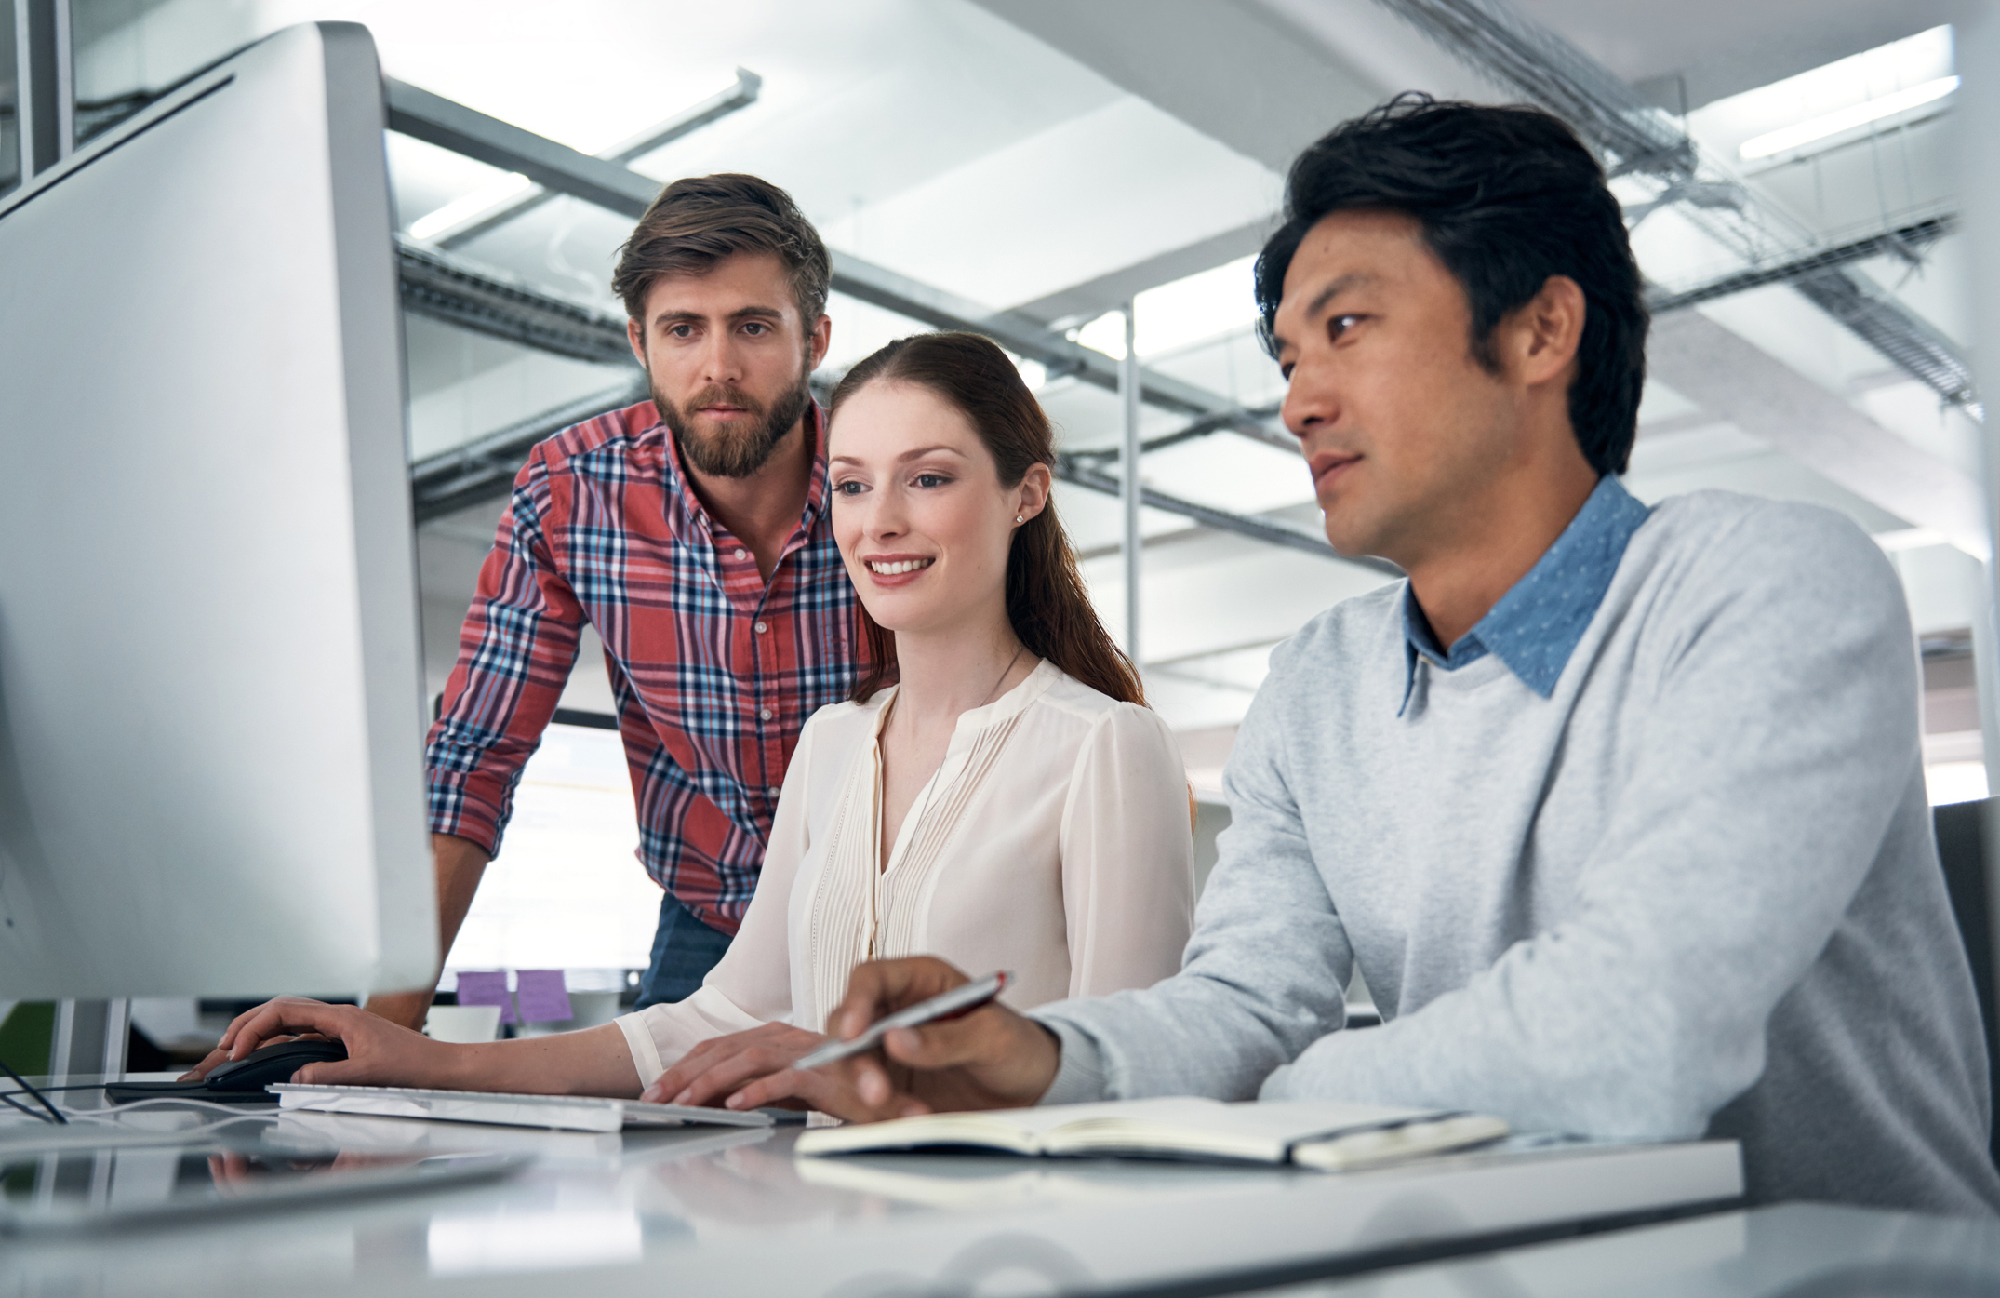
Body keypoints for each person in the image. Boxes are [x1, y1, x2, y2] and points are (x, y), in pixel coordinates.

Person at [732, 97, 2000, 1218]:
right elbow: (1233, 1004)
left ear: (1541, 330)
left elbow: (1636, 1032)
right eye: (1289, 354)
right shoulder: (1318, 683)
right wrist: (1040, 1056)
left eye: (1346, 328)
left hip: (1851, 1264)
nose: (1294, 399)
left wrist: (1277, 1088)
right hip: (1520, 1255)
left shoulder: (1765, 581)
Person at [188, 332, 1196, 1100]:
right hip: (818, 1229)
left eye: (927, 478)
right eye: (850, 484)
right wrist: (423, 1058)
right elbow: (718, 1013)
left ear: (1024, 495)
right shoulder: (834, 744)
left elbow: (1139, 1086)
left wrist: (850, 1072)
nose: (878, 519)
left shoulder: (1105, 746)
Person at [373, 173, 865, 1032]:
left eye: (753, 327)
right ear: (640, 341)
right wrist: (386, 1022)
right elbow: (475, 752)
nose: (718, 367)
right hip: (708, 918)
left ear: (814, 339)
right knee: (675, 1158)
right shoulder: (572, 491)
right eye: (684, 330)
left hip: (900, 910)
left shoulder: (891, 474)